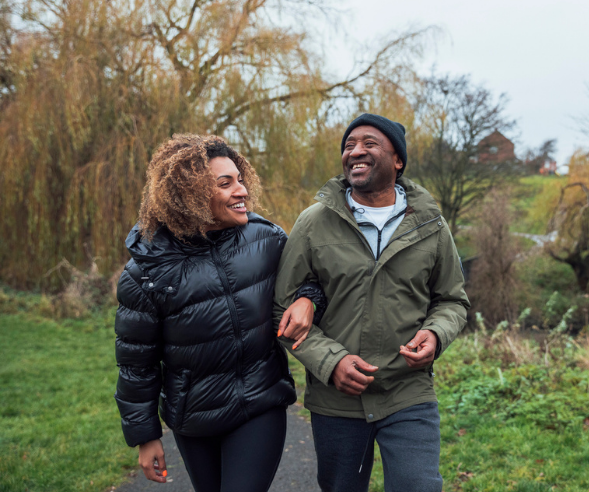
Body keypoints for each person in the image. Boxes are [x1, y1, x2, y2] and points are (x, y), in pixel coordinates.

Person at [114, 134, 323, 492]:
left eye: (240, 179)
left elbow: (313, 276)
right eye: (225, 184)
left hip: (260, 403)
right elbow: (137, 362)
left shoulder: (267, 239)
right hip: (193, 419)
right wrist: (145, 436)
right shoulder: (146, 270)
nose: (241, 190)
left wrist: (308, 298)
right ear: (188, 195)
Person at [274, 113, 470, 492]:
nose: (355, 152)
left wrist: (435, 334)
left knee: (419, 486)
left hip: (408, 391)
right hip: (337, 400)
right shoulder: (314, 223)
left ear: (398, 160)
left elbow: (452, 300)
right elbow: (282, 309)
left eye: (369, 143)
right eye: (349, 145)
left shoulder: (431, 224)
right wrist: (330, 362)